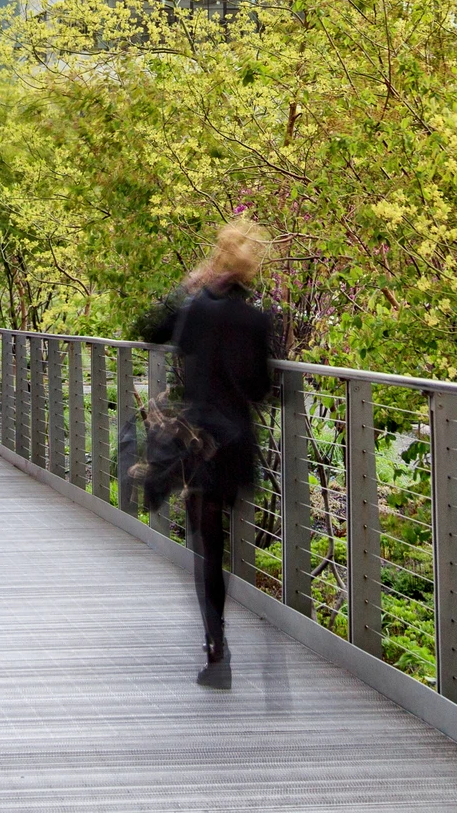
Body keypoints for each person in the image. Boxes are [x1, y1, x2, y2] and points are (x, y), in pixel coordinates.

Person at [140, 215, 276, 691]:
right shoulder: (259, 319)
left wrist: (186, 287)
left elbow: (149, 331)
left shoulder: (197, 310)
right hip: (238, 442)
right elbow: (262, 388)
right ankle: (246, 633)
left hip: (202, 442)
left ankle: (217, 648)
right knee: (229, 543)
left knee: (208, 550)